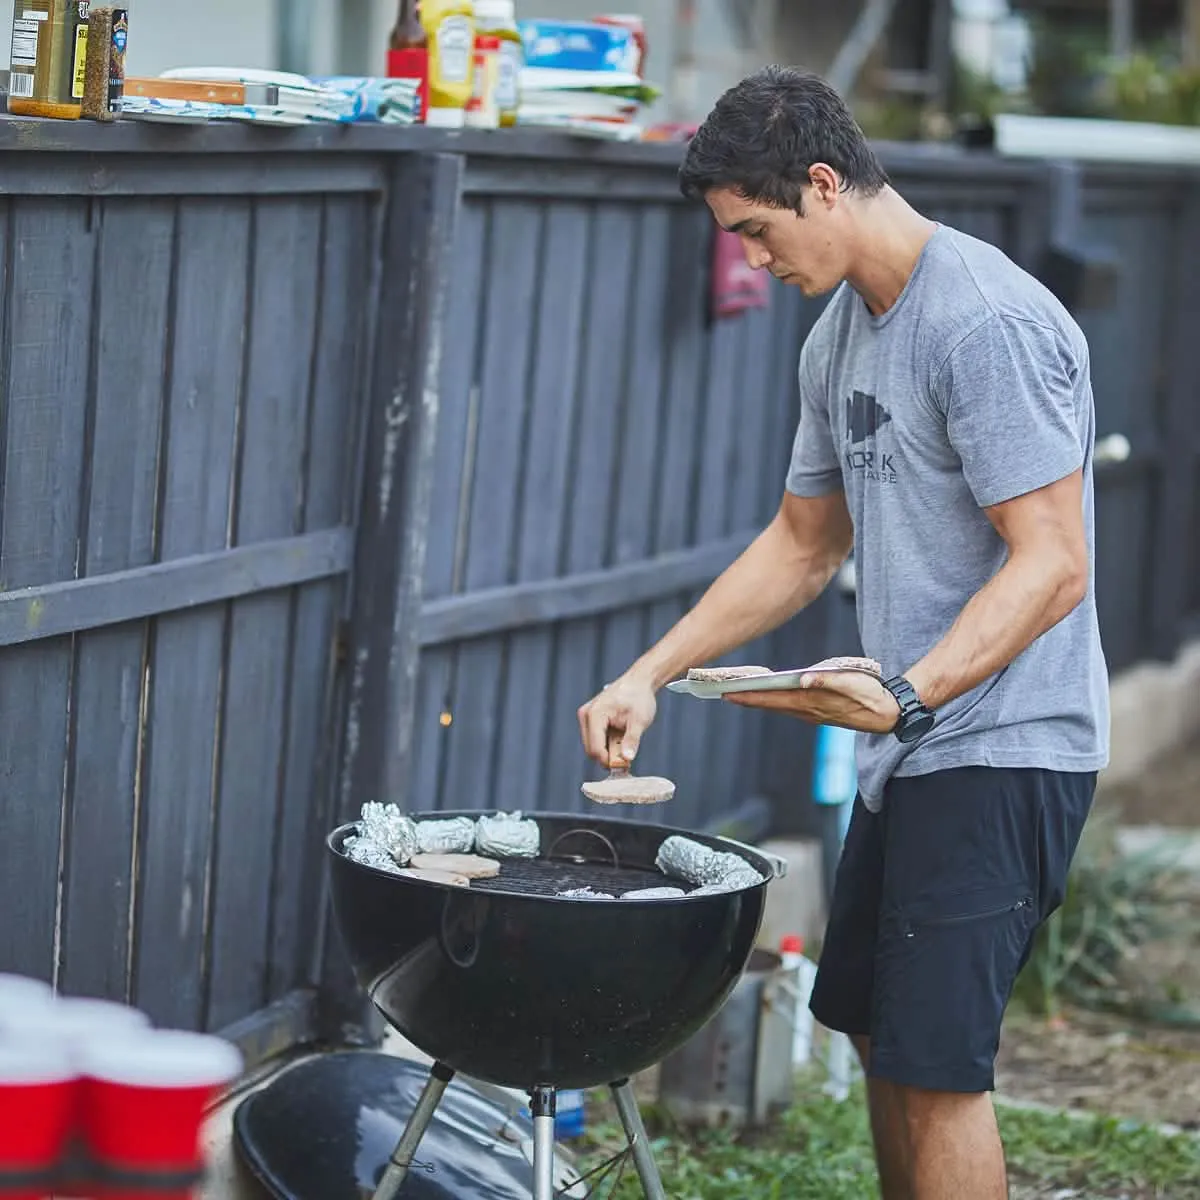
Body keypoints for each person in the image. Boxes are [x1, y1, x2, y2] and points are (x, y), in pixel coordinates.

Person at [576, 66, 1109, 1200]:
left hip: (1005, 742)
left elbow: (1055, 564)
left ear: (824, 185)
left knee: (937, 1070)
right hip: (909, 746)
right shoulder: (837, 342)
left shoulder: (986, 324)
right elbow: (803, 544)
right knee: (873, 1030)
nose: (753, 265)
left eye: (757, 233)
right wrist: (651, 673)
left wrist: (911, 692)